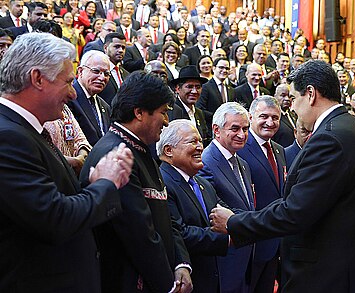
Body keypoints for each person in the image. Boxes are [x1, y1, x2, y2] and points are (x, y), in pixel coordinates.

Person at [209, 60, 355, 292]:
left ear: (310, 94)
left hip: (329, 273)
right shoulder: (347, 126)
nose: (292, 108)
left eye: (294, 98)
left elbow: (295, 211)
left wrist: (234, 223)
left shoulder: (330, 138)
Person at [0, 32, 133, 292]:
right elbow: (55, 219)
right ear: (38, 78)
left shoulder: (24, 131)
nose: (73, 94)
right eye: (68, 82)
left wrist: (92, 185)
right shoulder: (9, 137)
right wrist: (105, 184)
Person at [80, 71, 193, 293]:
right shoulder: (116, 154)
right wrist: (167, 285)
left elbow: (166, 217)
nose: (167, 121)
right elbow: (139, 236)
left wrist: (181, 263)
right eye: (163, 113)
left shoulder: (140, 149)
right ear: (139, 112)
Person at [158, 119, 229, 293]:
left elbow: (226, 212)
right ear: (169, 150)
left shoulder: (202, 183)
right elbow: (179, 233)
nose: (200, 147)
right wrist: (227, 238)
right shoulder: (162, 183)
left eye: (200, 141)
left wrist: (242, 224)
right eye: (192, 141)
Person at [198, 102, 255, 293]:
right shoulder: (205, 162)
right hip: (224, 259)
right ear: (216, 130)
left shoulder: (243, 163)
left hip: (244, 255)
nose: (242, 134)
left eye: (245, 129)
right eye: (235, 128)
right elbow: (212, 208)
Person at [237, 96, 286, 293]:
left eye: (275, 118)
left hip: (276, 243)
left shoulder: (280, 150)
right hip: (252, 244)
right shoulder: (240, 148)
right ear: (250, 117)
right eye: (264, 116)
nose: (270, 122)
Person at [68, 50, 112, 146]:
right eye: (96, 71)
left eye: (106, 74)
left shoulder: (105, 106)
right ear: (80, 71)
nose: (102, 78)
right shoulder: (69, 98)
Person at [168, 65, 211, 147]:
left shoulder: (199, 113)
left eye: (198, 87)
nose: (194, 91)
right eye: (189, 87)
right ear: (177, 89)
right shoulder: (172, 111)